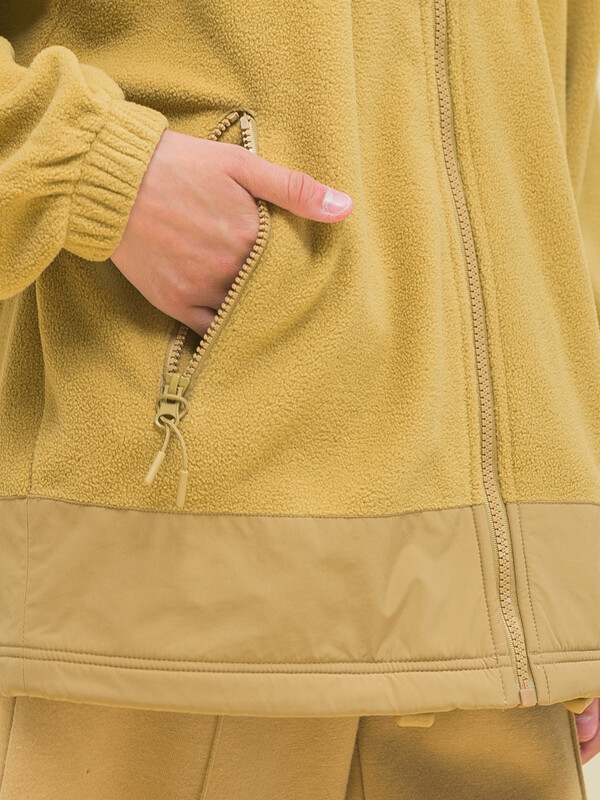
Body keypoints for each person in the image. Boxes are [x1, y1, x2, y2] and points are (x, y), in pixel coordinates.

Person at [1, 0, 600, 797]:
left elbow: (563, 147)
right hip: (172, 585)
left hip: (502, 649)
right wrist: (95, 164)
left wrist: (570, 572)